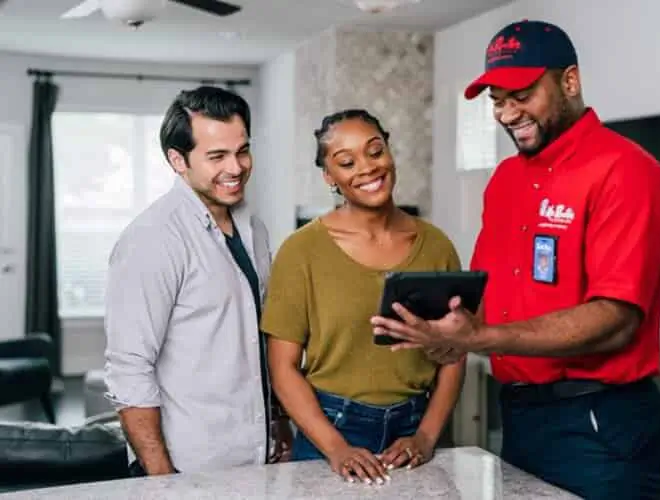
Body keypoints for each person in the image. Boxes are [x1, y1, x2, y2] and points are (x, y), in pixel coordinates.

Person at [370, 20, 660, 500]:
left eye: (522, 94)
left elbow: (617, 319)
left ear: (569, 81)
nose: (508, 113)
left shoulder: (628, 171)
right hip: (519, 414)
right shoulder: (506, 179)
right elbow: (494, 298)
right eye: (496, 99)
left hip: (598, 422)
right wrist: (446, 339)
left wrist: (481, 337)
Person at [260, 109, 466, 485]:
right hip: (329, 430)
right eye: (346, 161)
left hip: (415, 433)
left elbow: (454, 353)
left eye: (375, 151)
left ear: (389, 152)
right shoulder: (300, 251)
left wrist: (425, 435)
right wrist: (336, 447)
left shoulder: (437, 246)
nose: (367, 168)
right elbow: (283, 368)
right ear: (329, 176)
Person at [104, 86, 292, 476]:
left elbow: (256, 336)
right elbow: (129, 367)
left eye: (242, 151)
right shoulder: (153, 238)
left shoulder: (253, 228)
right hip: (187, 465)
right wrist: (160, 477)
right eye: (217, 156)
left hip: (257, 458)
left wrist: (277, 421)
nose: (236, 167)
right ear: (178, 160)